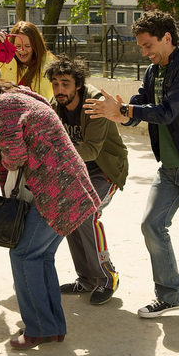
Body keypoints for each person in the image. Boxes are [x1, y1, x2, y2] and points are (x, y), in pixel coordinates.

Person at [85, 10, 179, 319]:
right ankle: (170, 294)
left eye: (148, 45)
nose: (144, 52)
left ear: (167, 38)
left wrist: (125, 109)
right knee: (151, 225)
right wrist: (119, 113)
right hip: (171, 167)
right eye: (141, 46)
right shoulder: (153, 70)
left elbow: (166, 111)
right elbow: (141, 103)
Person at [0, 76, 101, 349]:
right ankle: (51, 328)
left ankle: (40, 329)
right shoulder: (16, 97)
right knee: (41, 256)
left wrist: (5, 149)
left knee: (23, 253)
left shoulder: (5, 105)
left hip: (55, 191)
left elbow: (14, 155)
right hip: (68, 188)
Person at [45, 55, 128, 305]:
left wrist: (55, 150)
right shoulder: (54, 104)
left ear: (78, 85)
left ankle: (107, 276)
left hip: (105, 169)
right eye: (56, 83)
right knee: (69, 216)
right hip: (76, 169)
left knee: (88, 213)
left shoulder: (96, 104)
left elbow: (92, 149)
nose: (60, 89)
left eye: (66, 84)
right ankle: (87, 278)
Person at [0, 21, 56, 188]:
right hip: (8, 133)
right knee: (8, 189)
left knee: (33, 190)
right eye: (18, 45)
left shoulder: (49, 62)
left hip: (37, 136)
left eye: (28, 45)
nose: (22, 50)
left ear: (36, 45)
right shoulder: (8, 58)